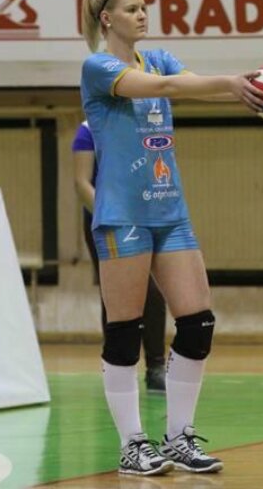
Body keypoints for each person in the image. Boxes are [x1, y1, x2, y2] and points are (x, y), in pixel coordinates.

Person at [79, 0, 263, 476]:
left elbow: (192, 85)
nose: (143, 15)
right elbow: (164, 89)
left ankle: (179, 437)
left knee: (197, 323)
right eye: (132, 9)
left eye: (145, 7)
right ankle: (132, 444)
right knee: (125, 331)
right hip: (123, 215)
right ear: (107, 19)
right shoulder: (99, 68)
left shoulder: (159, 58)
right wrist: (227, 82)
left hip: (170, 212)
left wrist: (252, 92)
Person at [72, 119, 168, 393]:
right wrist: (113, 215)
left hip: (143, 217)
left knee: (153, 292)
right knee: (115, 294)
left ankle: (156, 367)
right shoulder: (88, 129)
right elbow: (81, 183)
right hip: (105, 221)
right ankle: (118, 368)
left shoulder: (144, 127)